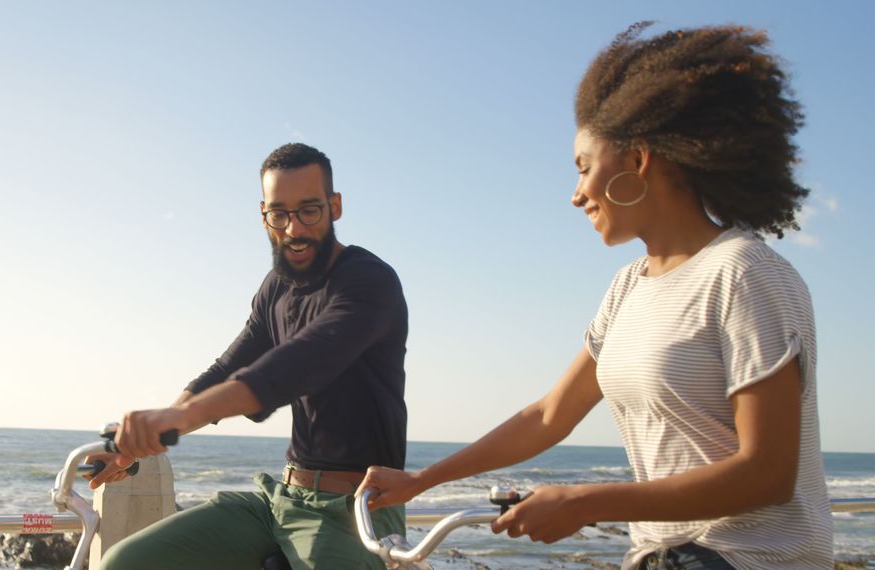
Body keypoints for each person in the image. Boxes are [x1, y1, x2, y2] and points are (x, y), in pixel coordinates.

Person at [357, 23, 832, 570]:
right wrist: (422, 480)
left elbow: (767, 473)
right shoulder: (629, 286)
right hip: (660, 556)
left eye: (584, 166)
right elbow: (549, 415)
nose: (576, 192)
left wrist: (585, 502)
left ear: (639, 159)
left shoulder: (745, 274)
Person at [90, 142, 409, 570]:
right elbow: (228, 368)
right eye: (279, 214)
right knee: (124, 562)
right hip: (281, 499)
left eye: (309, 210)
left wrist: (182, 419)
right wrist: (148, 438)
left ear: (335, 207)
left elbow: (295, 365)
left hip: (354, 511)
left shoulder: (369, 282)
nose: (293, 229)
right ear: (264, 216)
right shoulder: (276, 287)